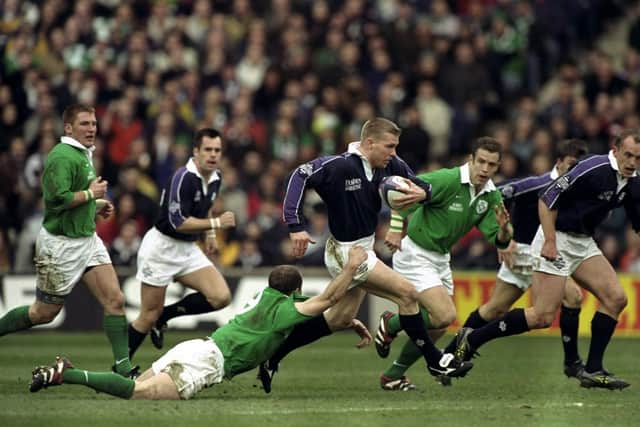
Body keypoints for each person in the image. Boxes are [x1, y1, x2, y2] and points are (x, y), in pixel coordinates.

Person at [263, 118, 473, 390]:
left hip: (365, 249)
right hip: (345, 251)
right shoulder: (339, 166)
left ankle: (272, 355)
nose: (394, 153)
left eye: (396, 147)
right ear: (369, 143)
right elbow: (298, 176)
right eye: (390, 146)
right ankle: (435, 360)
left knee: (338, 318)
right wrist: (295, 225)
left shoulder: (392, 166)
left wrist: (422, 193)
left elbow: (422, 186)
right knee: (407, 293)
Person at [28, 246, 370, 399]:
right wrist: (352, 267)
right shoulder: (284, 310)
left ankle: (67, 372)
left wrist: (346, 322)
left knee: (138, 389)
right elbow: (326, 300)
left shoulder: (267, 299)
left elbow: (312, 309)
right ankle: (66, 374)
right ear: (295, 291)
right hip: (208, 363)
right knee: (136, 393)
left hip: (197, 347)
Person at [452, 130, 640, 390]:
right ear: (616, 150)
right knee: (542, 316)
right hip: (556, 238)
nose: (632, 162)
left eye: (638, 158)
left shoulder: (632, 180)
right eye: (628, 155)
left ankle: (593, 370)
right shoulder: (591, 168)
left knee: (616, 298)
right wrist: (549, 241)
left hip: (582, 242)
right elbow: (547, 199)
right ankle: (472, 341)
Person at [0, 104, 136, 377]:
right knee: (43, 313)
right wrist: (90, 194)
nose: (92, 129)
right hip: (60, 246)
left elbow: (77, 198)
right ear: (68, 128)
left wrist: (95, 205)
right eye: (85, 123)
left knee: (116, 300)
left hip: (87, 240)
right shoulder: (61, 156)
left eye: (94, 123)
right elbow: (56, 200)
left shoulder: (83, 153)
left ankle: (123, 368)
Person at [441, 139, 589, 380]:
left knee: (495, 308)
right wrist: (502, 238)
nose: (575, 171)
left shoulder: (574, 188)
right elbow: (492, 195)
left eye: (579, 166)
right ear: (559, 162)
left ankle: (449, 356)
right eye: (571, 165)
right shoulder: (537, 185)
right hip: (525, 251)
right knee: (572, 295)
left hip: (534, 252)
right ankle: (572, 362)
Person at [374, 137, 512, 391]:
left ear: (498, 166)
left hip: (440, 258)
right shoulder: (448, 179)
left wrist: (504, 230)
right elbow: (404, 191)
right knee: (445, 314)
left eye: (491, 164)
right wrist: (394, 230)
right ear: (470, 159)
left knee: (438, 325)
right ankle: (392, 324)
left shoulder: (491, 196)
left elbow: (499, 240)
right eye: (480, 161)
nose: (484, 168)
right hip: (415, 253)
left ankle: (393, 374)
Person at [127, 128, 235, 358]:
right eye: (208, 149)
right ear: (196, 151)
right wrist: (215, 224)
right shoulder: (183, 177)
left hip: (187, 249)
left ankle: (165, 316)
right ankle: (121, 365)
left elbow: (205, 207)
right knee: (148, 315)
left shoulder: (216, 177)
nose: (213, 155)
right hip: (161, 248)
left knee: (221, 297)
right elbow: (178, 222)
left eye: (217, 150)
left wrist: (211, 236)